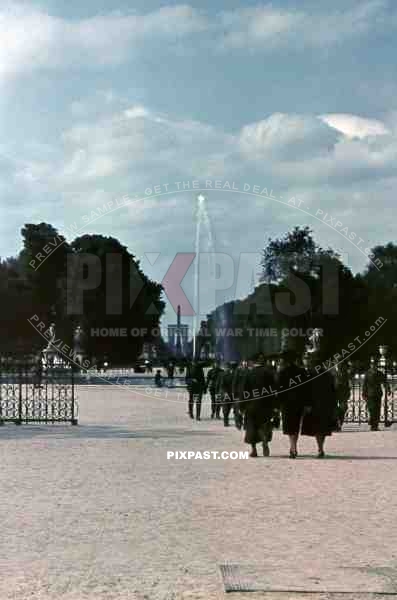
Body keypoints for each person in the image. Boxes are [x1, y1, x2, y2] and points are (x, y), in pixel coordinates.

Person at [237, 353, 278, 457]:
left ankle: (254, 449)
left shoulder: (248, 374)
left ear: (253, 362)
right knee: (265, 424)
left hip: (251, 405)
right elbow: (274, 390)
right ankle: (264, 441)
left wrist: (241, 406)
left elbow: (244, 391)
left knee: (251, 427)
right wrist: (275, 406)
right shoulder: (269, 373)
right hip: (266, 404)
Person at [301, 358, 337, 457]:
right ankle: (321, 447)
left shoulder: (310, 375)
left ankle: (320, 447)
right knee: (323, 428)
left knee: (317, 428)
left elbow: (306, 391)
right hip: (325, 405)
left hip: (314, 404)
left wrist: (306, 404)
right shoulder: (328, 375)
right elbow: (333, 392)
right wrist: (333, 405)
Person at [277, 351, 307, 458]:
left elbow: (279, 389)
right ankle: (294, 446)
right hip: (299, 402)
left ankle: (293, 446)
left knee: (289, 426)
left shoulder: (282, 372)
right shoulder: (302, 371)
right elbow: (305, 389)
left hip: (286, 403)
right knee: (296, 425)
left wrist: (278, 403)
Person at [362, 362, 391, 431]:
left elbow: (385, 381)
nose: (373, 366)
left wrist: (388, 389)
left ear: (376, 366)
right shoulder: (367, 373)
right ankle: (372, 424)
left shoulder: (379, 373)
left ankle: (375, 425)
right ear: (370, 365)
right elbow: (365, 384)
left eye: (374, 365)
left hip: (378, 393)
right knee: (372, 409)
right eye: (372, 364)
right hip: (370, 394)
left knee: (377, 409)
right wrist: (364, 393)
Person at [218, 362, 238, 427]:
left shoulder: (237, 374)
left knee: (236, 409)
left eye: (233, 368)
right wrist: (225, 393)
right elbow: (222, 385)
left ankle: (237, 422)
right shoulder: (224, 375)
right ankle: (226, 422)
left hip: (234, 394)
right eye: (230, 368)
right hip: (226, 394)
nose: (231, 369)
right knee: (226, 409)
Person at [334, 362, 351, 431]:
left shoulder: (345, 373)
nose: (338, 365)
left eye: (340, 364)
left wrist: (348, 394)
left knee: (343, 408)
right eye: (337, 364)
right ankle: (335, 425)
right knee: (334, 410)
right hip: (334, 394)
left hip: (343, 395)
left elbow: (348, 385)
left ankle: (340, 423)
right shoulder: (332, 373)